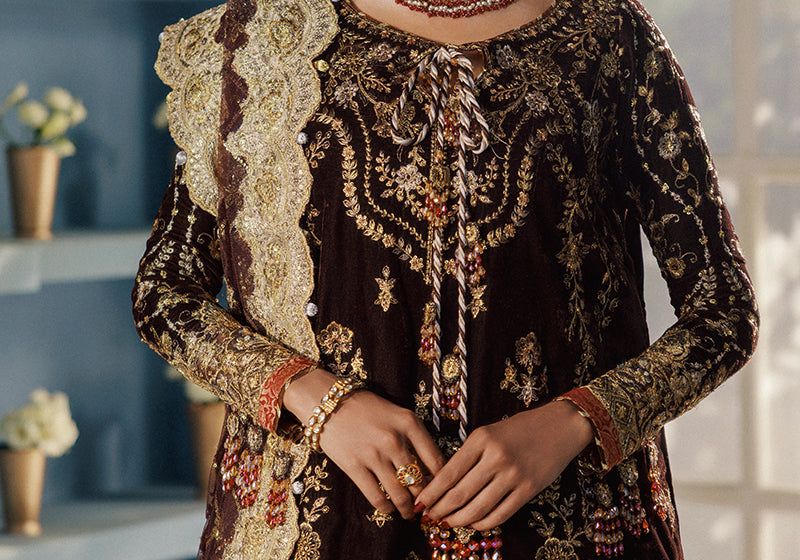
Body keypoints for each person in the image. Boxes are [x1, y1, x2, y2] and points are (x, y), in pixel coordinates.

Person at [132, 0, 758, 558]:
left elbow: (724, 312)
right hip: (321, 524)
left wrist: (573, 422)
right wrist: (319, 402)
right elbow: (165, 294)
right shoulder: (259, 40)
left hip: (568, 520)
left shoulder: (608, 35)